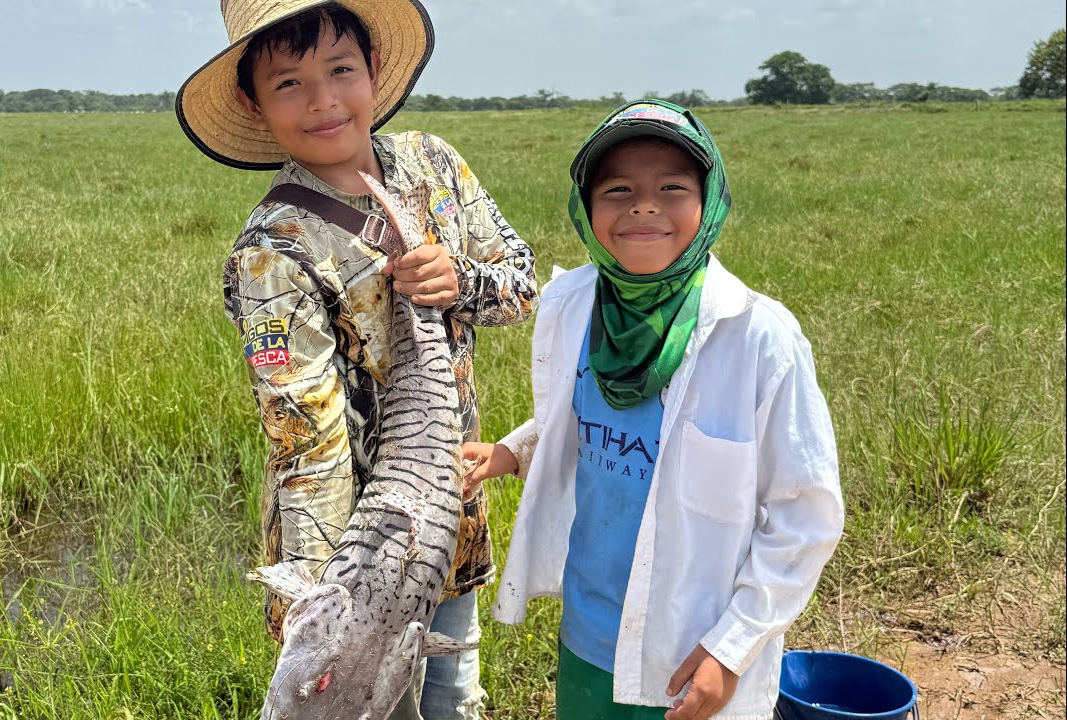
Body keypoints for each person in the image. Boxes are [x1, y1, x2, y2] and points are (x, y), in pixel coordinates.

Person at [174, 2, 538, 718]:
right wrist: (322, 603)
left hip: (453, 527)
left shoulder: (436, 164)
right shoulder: (272, 252)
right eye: (289, 84)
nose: (323, 101)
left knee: (455, 699)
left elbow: (522, 288)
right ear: (253, 101)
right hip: (354, 561)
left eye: (341, 70)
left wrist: (462, 280)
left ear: (373, 69)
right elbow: (304, 442)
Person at [462, 99, 844, 720]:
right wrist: (514, 450)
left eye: (672, 187)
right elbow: (581, 418)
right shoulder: (572, 304)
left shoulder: (756, 337)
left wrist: (732, 649)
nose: (644, 206)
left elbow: (806, 515)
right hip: (588, 633)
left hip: (693, 652)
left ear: (710, 201)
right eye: (618, 189)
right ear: (586, 207)